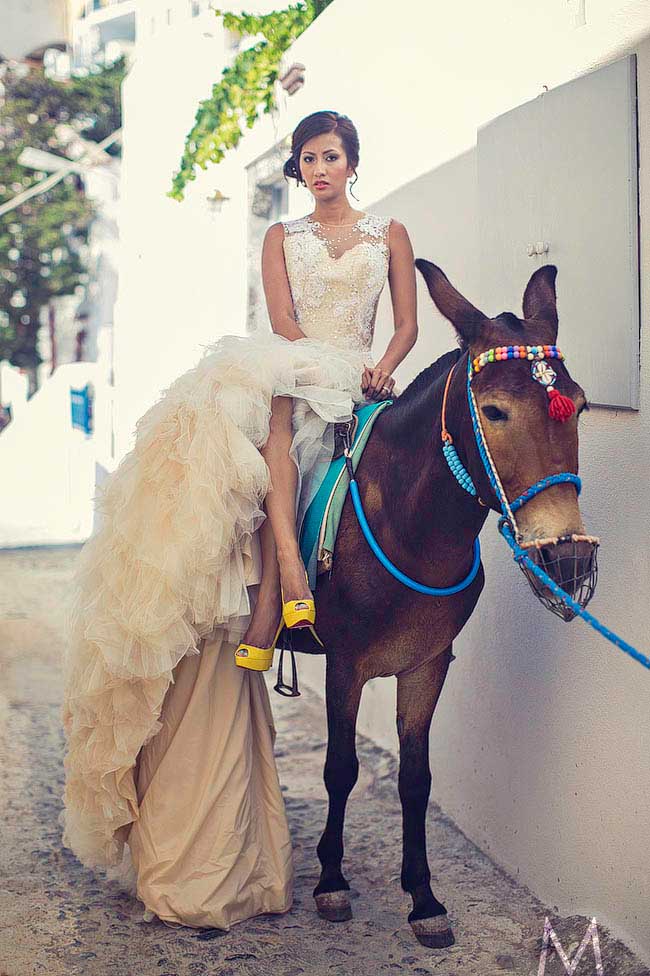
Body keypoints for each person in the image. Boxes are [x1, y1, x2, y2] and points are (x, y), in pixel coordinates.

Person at [59, 109, 418, 931]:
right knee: (275, 436)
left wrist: (380, 370)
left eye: (330, 156)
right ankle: (283, 586)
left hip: (363, 372)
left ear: (352, 161)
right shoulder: (280, 237)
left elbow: (405, 323)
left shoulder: (388, 232)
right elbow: (286, 321)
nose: (318, 169)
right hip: (297, 364)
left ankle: (288, 592)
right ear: (297, 170)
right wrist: (319, 365)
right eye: (306, 159)